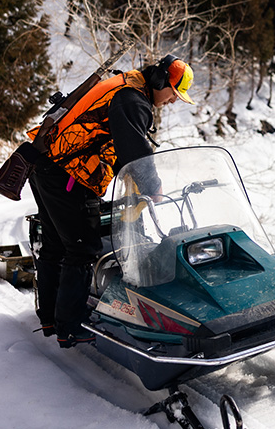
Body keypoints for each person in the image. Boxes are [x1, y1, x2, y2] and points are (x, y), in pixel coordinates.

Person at [27, 54, 196, 348]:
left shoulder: (126, 88)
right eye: (173, 93)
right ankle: (70, 327)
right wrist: (152, 185)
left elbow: (117, 146)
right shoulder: (132, 100)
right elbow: (134, 150)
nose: (172, 101)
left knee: (56, 244)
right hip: (66, 174)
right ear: (159, 82)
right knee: (82, 248)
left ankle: (51, 317)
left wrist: (133, 179)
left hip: (48, 166)